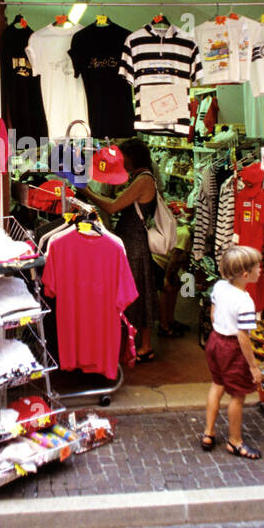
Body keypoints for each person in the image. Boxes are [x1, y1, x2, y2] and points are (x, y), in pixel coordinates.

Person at [78, 138, 159, 362]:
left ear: (132, 157)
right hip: (131, 239)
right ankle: (141, 343)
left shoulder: (143, 180)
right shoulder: (138, 177)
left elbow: (113, 207)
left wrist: (86, 193)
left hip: (134, 242)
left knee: (135, 291)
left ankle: (140, 345)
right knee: (138, 288)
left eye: (124, 157)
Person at [201, 245, 263, 459]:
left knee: (217, 384)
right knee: (238, 395)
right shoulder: (245, 301)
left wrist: (219, 326)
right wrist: (253, 367)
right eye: (258, 267)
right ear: (246, 275)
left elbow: (213, 312)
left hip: (215, 340)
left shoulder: (219, 286)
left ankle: (208, 432)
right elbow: (243, 337)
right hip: (231, 348)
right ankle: (235, 441)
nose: (260, 270)